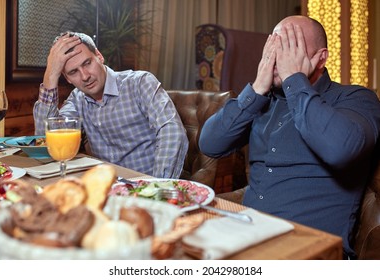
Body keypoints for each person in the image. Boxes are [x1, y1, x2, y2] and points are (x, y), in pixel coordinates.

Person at [198, 15, 380, 259]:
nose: (278, 58)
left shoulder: (355, 99)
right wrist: (256, 89)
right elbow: (210, 143)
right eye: (274, 46)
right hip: (244, 237)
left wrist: (295, 79)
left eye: (291, 47)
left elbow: (341, 149)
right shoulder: (263, 100)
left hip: (309, 251)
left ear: (320, 58)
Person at [34, 32, 188, 178]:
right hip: (108, 191)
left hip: (146, 186)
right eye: (74, 72)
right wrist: (50, 75)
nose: (85, 76)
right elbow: (47, 142)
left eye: (87, 63)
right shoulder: (77, 99)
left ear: (99, 56)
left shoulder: (140, 83)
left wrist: (157, 187)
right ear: (67, 78)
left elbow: (172, 132)